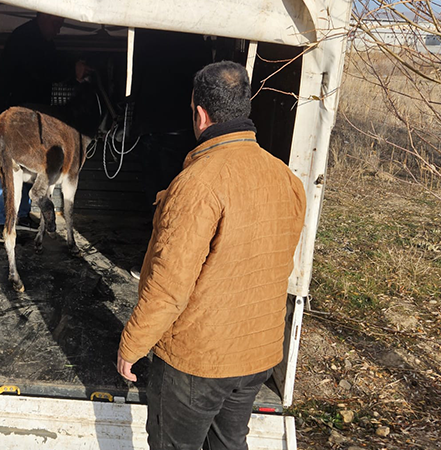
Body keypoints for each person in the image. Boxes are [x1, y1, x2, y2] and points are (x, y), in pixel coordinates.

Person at [116, 61, 306, 450]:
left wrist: (132, 345)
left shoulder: (197, 184)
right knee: (229, 444)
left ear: (200, 114)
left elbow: (169, 286)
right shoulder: (287, 178)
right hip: (257, 353)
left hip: (198, 361)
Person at [0, 12, 89, 243]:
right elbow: (44, 70)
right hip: (15, 116)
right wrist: (72, 70)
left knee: (25, 167)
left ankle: (20, 215)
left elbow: (50, 65)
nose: (59, 29)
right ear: (44, 18)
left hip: (28, 116)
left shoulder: (40, 40)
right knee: (10, 165)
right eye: (57, 24)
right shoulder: (26, 38)